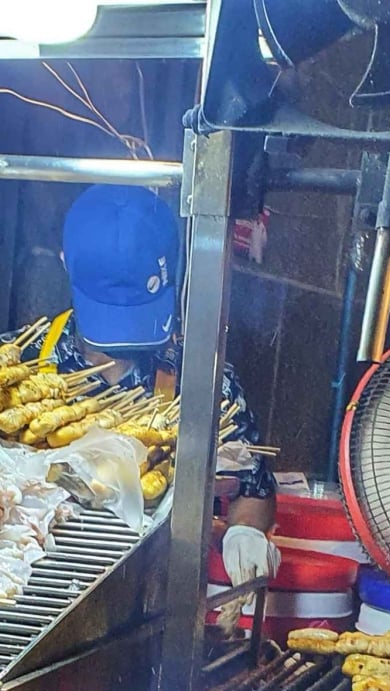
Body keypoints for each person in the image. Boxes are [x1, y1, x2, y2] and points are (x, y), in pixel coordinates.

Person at [28, 184, 278, 586]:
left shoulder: (204, 381)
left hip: (156, 592)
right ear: (64, 263)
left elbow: (254, 486)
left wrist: (244, 531)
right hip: (31, 587)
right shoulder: (21, 361)